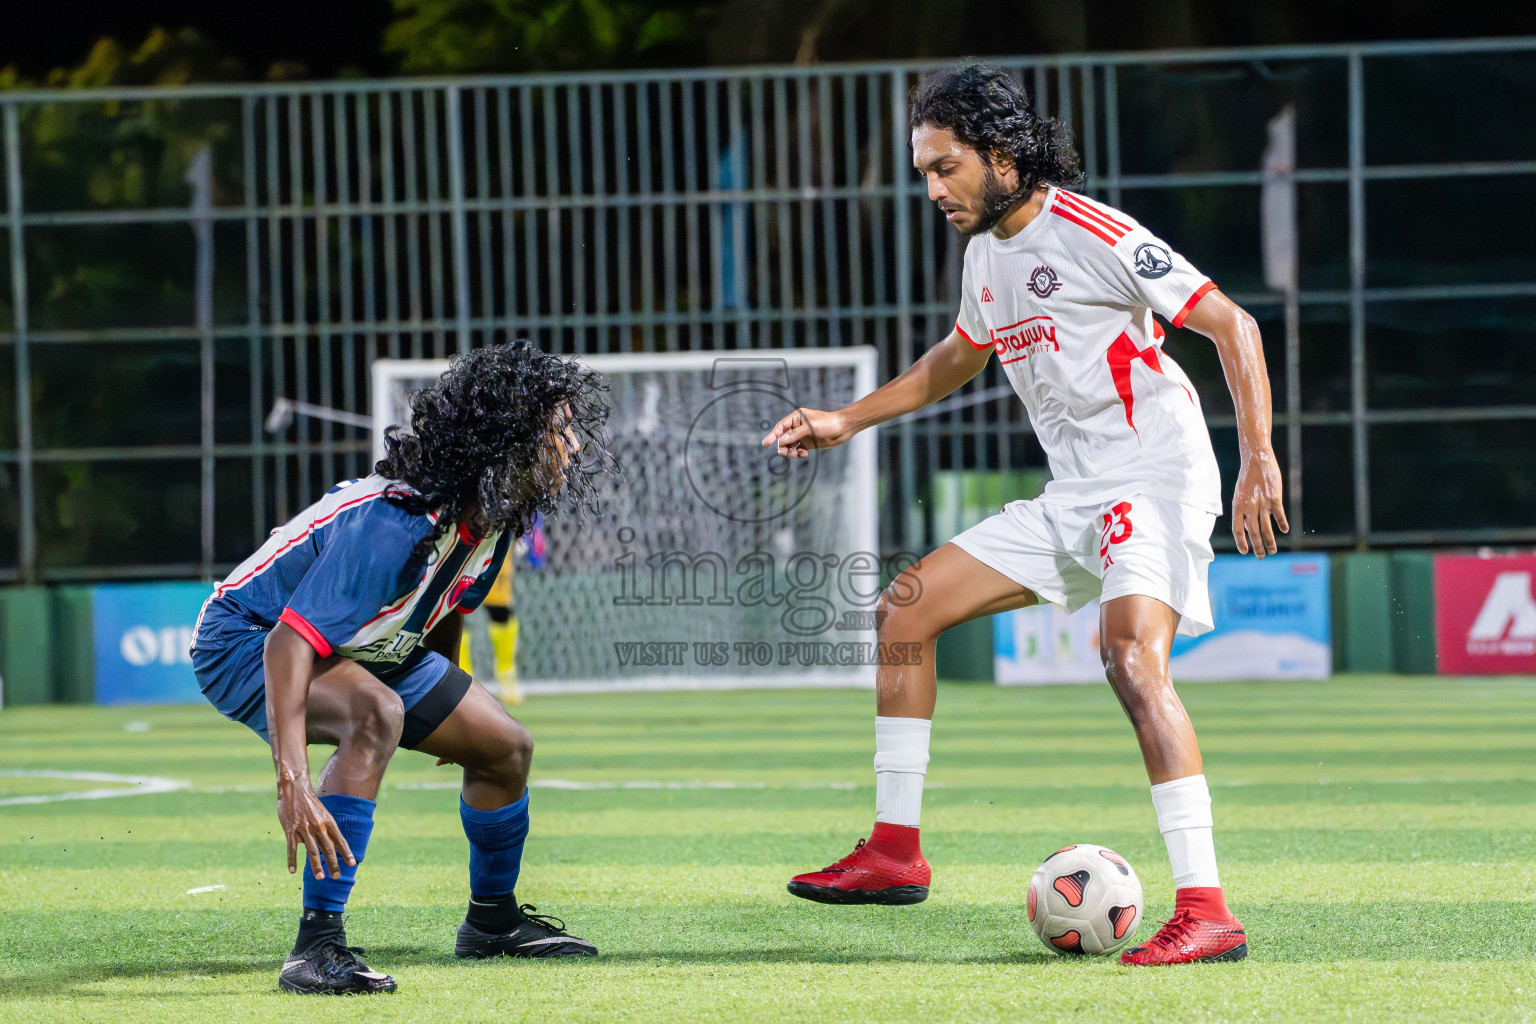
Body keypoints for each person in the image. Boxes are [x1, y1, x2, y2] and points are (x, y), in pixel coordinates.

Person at [762, 64, 1286, 966]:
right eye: (922, 171)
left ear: (1002, 155)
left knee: (1128, 658)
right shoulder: (984, 257)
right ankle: (895, 851)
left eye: (945, 166)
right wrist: (848, 418)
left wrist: (1259, 460)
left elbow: (1234, 325)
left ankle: (1208, 909)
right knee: (906, 608)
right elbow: (958, 357)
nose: (931, 188)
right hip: (1074, 491)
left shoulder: (1092, 230)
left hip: (1152, 475)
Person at [191, 341, 610, 994]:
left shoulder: (495, 518)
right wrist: (291, 778)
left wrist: (442, 710)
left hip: (367, 645)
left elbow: (446, 608)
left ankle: (492, 923)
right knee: (374, 713)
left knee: (505, 747)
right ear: (510, 438)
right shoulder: (396, 518)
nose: (574, 447)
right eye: (560, 432)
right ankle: (316, 947)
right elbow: (288, 645)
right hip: (245, 638)